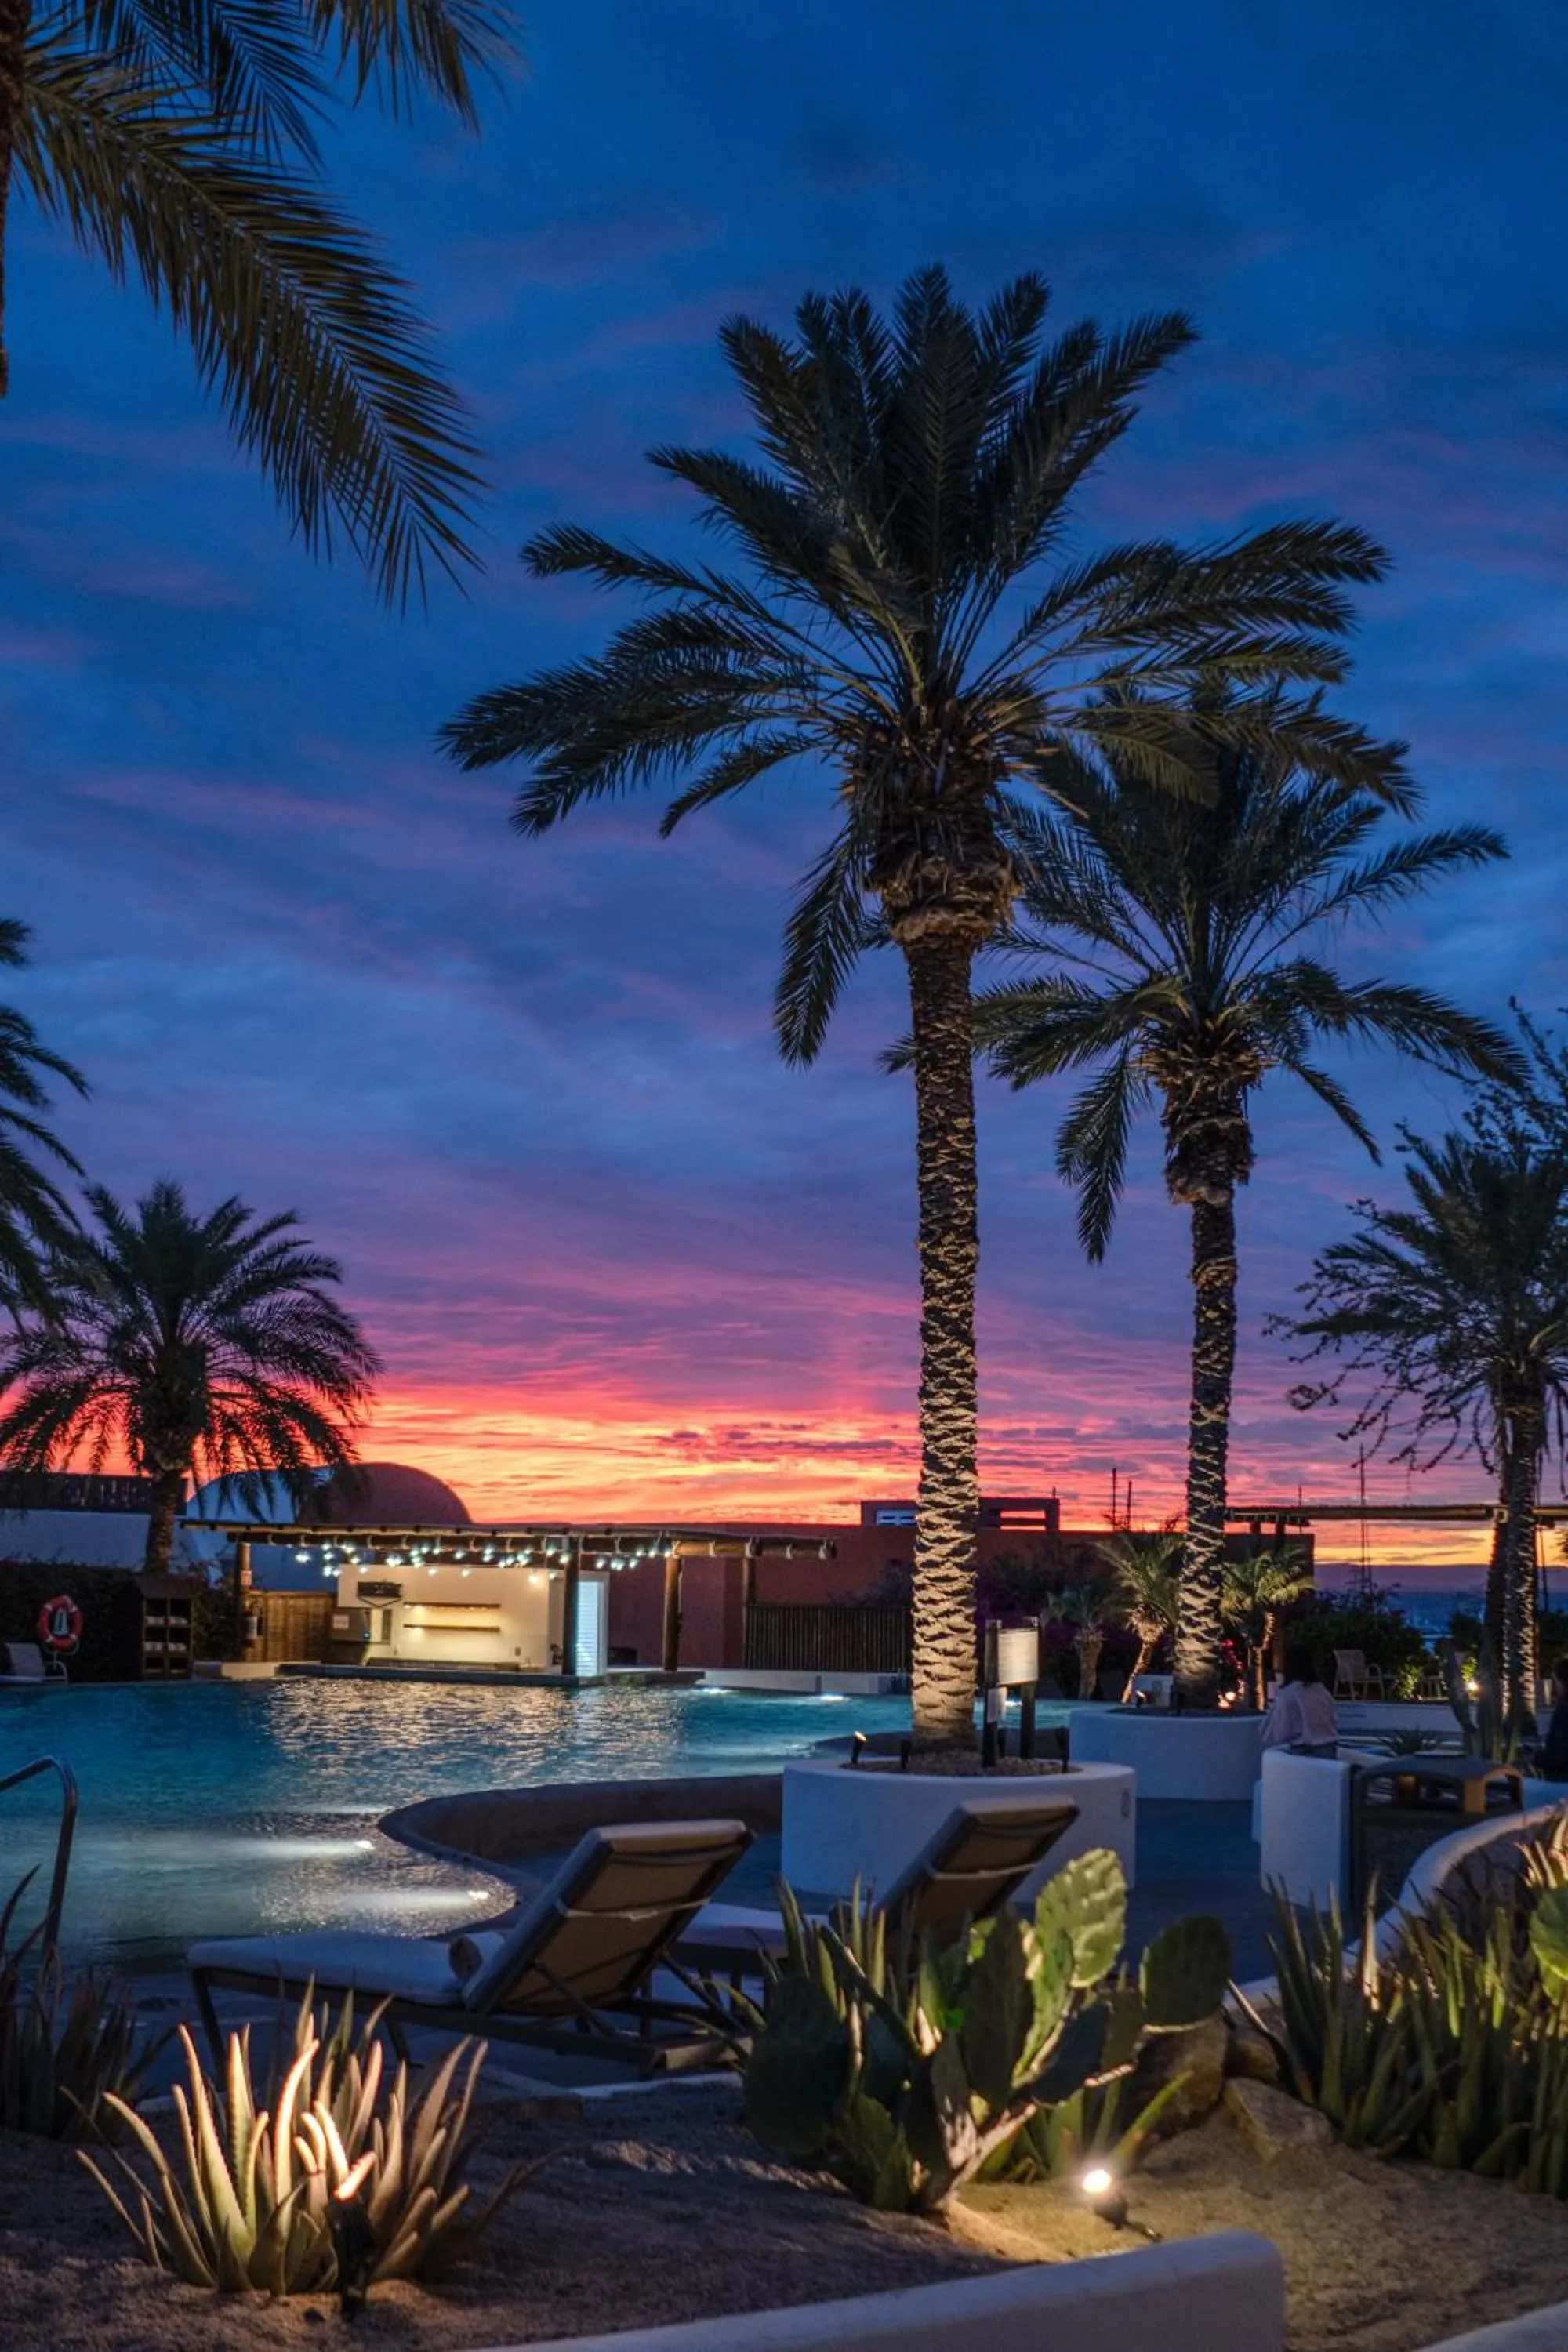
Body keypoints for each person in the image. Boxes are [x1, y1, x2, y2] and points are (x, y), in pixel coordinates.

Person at [1259, 1645, 1338, 1758]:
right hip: (1329, 1748)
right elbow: (1333, 1718)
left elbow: (1277, 1731)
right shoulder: (1321, 1691)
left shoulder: (1288, 1694)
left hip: (1303, 1752)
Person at [1541, 1658, 1568, 1782]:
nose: (1555, 1686)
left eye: (1556, 1681)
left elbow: (1558, 1755)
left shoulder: (1563, 1711)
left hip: (1561, 1780)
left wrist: (1536, 1759)